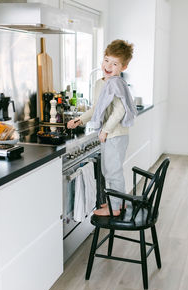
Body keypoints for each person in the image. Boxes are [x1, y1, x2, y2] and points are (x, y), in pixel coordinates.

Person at [67, 39, 137, 216]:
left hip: (115, 134)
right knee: (107, 170)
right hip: (108, 134)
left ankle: (115, 208)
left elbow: (120, 110)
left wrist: (105, 130)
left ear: (124, 67)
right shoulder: (101, 83)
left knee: (113, 172)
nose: (108, 65)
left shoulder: (116, 84)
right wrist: (80, 120)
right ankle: (114, 203)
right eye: (106, 60)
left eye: (114, 63)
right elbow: (96, 108)